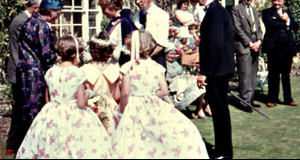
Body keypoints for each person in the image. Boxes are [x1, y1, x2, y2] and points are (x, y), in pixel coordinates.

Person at [109, 30, 209, 159]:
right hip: (152, 104)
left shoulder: (128, 67)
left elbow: (125, 93)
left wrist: (122, 110)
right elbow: (164, 91)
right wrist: (149, 95)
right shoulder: (156, 66)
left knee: (132, 139)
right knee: (154, 136)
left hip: (132, 107)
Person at [16, 35, 110, 159]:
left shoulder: (50, 72)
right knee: (78, 145)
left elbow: (47, 98)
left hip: (51, 113)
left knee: (52, 145)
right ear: (74, 54)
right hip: (74, 114)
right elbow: (81, 103)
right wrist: (88, 93)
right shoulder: (77, 73)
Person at [191, 0, 235, 159]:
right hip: (219, 70)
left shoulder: (215, 12)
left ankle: (224, 152)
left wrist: (205, 73)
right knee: (219, 111)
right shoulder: (216, 10)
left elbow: (215, 45)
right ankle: (223, 150)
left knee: (220, 112)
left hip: (217, 72)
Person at [16, 0, 63, 137]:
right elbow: (46, 55)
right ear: (49, 10)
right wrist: (62, 57)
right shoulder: (41, 25)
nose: (59, 16)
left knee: (27, 113)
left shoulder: (30, 21)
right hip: (34, 75)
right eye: (58, 12)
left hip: (25, 73)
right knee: (36, 114)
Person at [5, 0, 42, 155]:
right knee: (23, 110)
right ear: (35, 9)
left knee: (19, 110)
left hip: (22, 70)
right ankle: (19, 144)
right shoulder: (22, 22)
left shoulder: (22, 19)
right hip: (21, 71)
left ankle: (14, 145)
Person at [262, 0, 299, 108]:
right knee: (273, 74)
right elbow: (271, 25)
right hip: (274, 48)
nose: (276, 3)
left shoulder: (287, 13)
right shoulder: (267, 12)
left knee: (286, 74)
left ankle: (288, 99)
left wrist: (288, 20)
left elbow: (296, 26)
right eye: (274, 1)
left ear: (282, 2)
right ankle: (272, 98)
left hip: (287, 48)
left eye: (279, 1)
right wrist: (287, 24)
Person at [231, 0, 263, 113]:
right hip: (244, 46)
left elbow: (259, 29)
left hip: (255, 45)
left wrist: (259, 41)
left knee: (253, 74)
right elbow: (237, 29)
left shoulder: (255, 11)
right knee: (245, 74)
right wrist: (250, 43)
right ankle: (244, 102)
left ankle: (250, 99)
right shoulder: (236, 9)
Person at [80, 32, 121, 131]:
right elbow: (117, 96)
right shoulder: (116, 70)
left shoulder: (84, 70)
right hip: (110, 109)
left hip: (91, 108)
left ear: (92, 50)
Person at [164, 43, 209, 119]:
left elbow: (183, 74)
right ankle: (200, 109)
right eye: (170, 54)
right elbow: (167, 79)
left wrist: (190, 78)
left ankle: (199, 108)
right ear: (165, 54)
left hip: (183, 82)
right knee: (197, 84)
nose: (172, 56)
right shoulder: (163, 64)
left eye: (174, 54)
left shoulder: (175, 63)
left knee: (200, 85)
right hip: (174, 87)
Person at [132, 0, 170, 69]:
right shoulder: (136, 17)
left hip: (156, 58)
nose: (137, 2)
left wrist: (147, 58)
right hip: (140, 60)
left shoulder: (161, 15)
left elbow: (162, 43)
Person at [98, 0, 137, 65]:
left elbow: (126, 49)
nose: (103, 12)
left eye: (103, 9)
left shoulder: (124, 22)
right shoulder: (115, 21)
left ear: (111, 6)